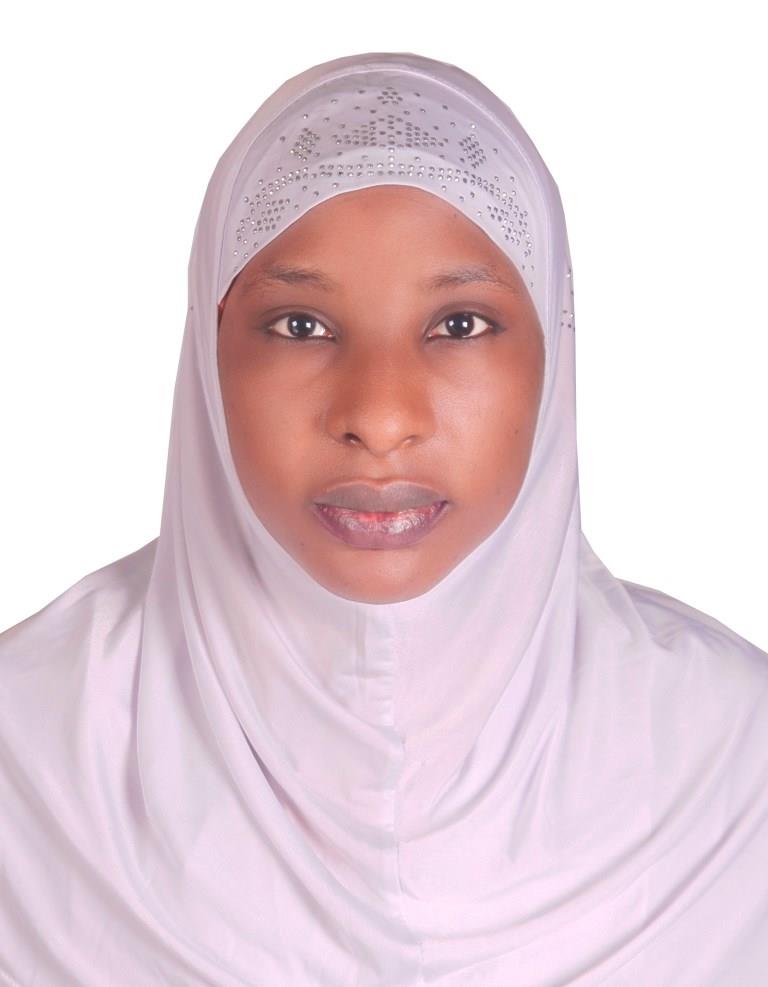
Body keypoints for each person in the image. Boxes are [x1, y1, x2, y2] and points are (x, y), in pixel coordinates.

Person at [1, 50, 766, 986]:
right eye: (300, 325)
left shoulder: (735, 772)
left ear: (555, 347)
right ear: (208, 347)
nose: (380, 415)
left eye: (459, 324)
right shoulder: (26, 757)